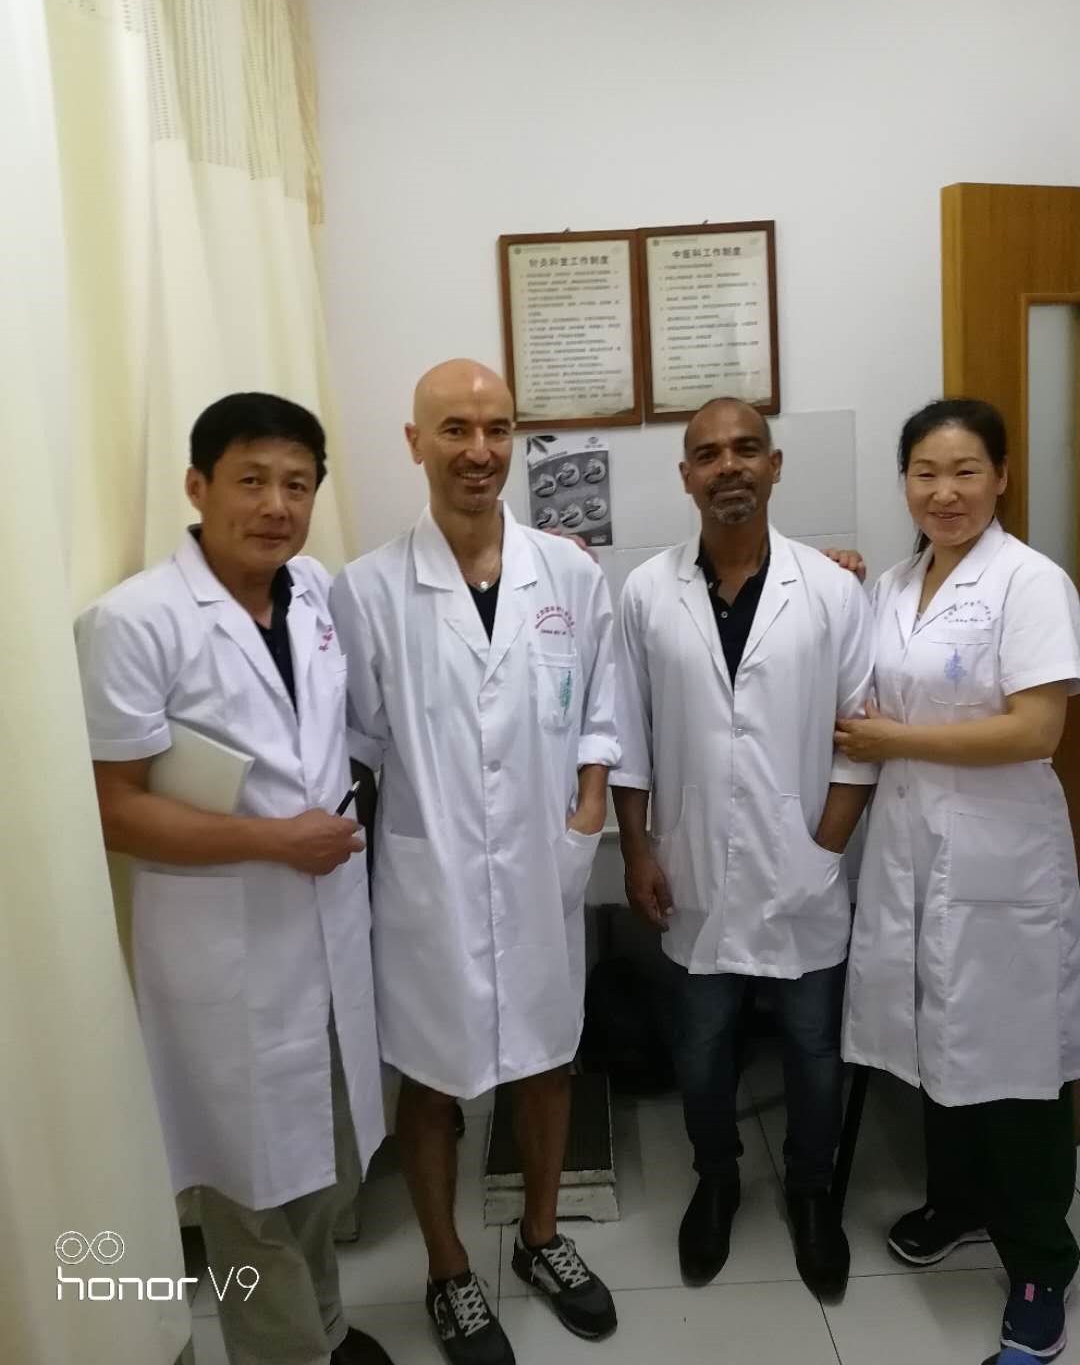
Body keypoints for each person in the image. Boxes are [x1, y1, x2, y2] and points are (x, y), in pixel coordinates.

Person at [75, 393, 391, 1365]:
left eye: (297, 484)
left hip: (322, 933)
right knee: (249, 1191)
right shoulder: (134, 622)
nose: (275, 505)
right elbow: (114, 808)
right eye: (251, 480)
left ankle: (326, 1330)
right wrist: (274, 842)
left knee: (320, 1167)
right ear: (197, 486)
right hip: (223, 950)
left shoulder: (313, 592)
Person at [330, 359, 619, 1365]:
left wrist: (589, 808)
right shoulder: (368, 589)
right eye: (454, 429)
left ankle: (540, 1238)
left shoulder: (569, 574)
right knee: (431, 1077)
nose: (479, 450)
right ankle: (449, 1268)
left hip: (543, 862)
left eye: (496, 428)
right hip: (431, 874)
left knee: (547, 1058)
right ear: (415, 443)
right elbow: (355, 745)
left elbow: (602, 710)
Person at [611, 397, 876, 1300]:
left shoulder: (832, 591)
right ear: (686, 475)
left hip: (805, 864)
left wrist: (822, 851)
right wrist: (636, 849)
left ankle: (810, 1191)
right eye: (709, 453)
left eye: (747, 449)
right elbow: (629, 734)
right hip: (691, 867)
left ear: (774, 465)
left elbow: (858, 737)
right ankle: (717, 1179)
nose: (729, 465)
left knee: (813, 1046)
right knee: (701, 1041)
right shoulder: (647, 593)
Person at [837, 398, 1080, 1365]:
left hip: (1001, 859)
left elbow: (1036, 729)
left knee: (1014, 1057)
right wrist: (836, 578)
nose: (945, 492)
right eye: (926, 473)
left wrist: (897, 740)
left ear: (1002, 478)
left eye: (966, 471)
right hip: (913, 846)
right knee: (936, 1032)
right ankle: (962, 1202)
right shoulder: (894, 585)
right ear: (905, 481)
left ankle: (1041, 1264)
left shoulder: (1031, 582)